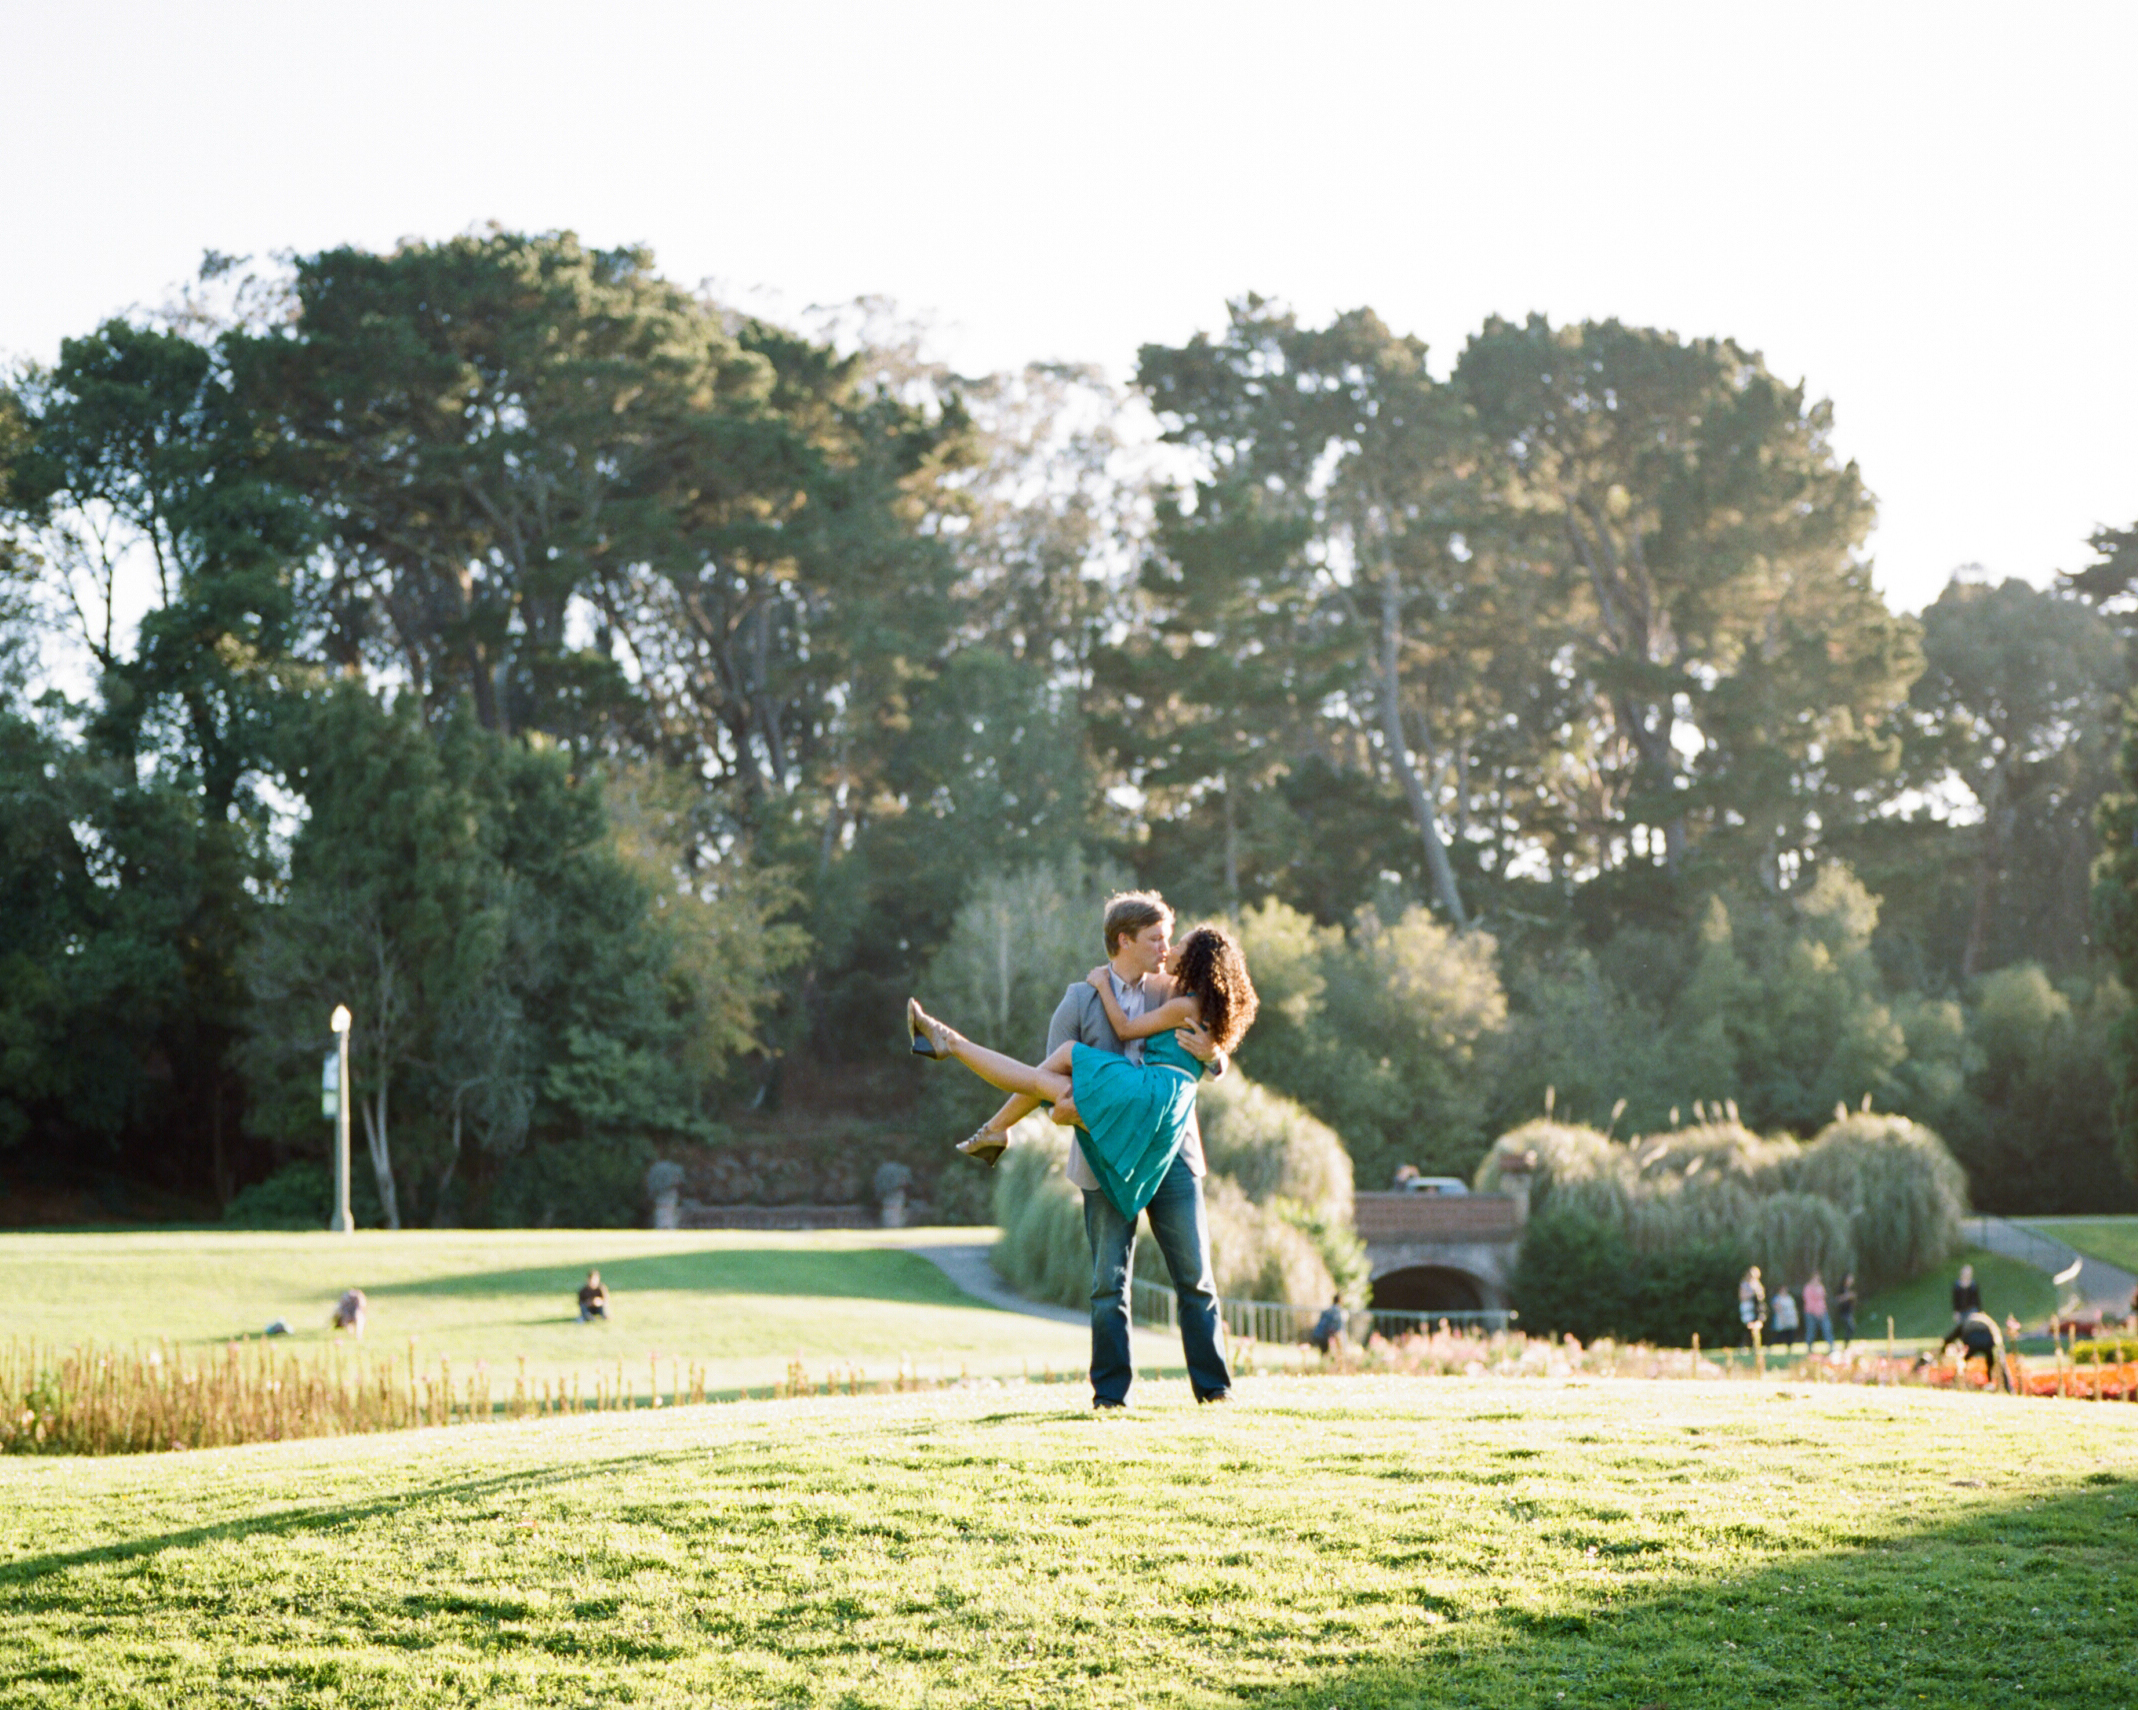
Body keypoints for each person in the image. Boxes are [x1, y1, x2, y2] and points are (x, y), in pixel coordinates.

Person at [909, 893, 1255, 1408]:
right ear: (1125, 940)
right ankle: (1110, 1397)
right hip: (1103, 1150)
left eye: (1169, 938)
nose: (1165, 947)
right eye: (1156, 938)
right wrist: (1060, 1114)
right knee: (1106, 1284)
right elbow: (1047, 1081)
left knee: (1195, 1277)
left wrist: (1217, 1054)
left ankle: (1215, 1389)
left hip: (1173, 1153)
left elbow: (1212, 1037)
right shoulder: (1079, 1000)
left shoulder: (1173, 987)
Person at [1941, 1309, 2006, 1390]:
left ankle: (1958, 1383)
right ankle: (1990, 1382)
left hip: (1971, 1340)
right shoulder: (1987, 1320)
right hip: (1987, 1340)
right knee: (1990, 1361)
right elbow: (1996, 1334)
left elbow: (1952, 1335)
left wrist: (1943, 1348)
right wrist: (1998, 1347)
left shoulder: (1968, 1319)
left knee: (1963, 1360)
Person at [1802, 1272, 1834, 1352]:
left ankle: (1831, 1346)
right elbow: (1808, 1301)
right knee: (1811, 1330)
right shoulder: (1808, 1288)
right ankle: (1809, 1347)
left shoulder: (1820, 1287)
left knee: (1827, 1328)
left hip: (1822, 1311)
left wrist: (1822, 1310)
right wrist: (1816, 1311)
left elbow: (1822, 1299)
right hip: (1811, 1313)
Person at [1737, 1266, 1766, 1349]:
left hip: (1756, 1308)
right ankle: (1744, 1345)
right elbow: (1742, 1296)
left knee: (1757, 1325)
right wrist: (1752, 1294)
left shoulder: (1757, 1284)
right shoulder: (1744, 1284)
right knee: (1748, 1327)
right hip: (1748, 1307)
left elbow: (1762, 1295)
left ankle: (1756, 1345)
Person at [1769, 1284, 1800, 1350]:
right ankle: (1770, 1344)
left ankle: (1789, 1347)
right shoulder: (1777, 1298)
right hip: (1782, 1318)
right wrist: (1782, 1316)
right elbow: (1776, 1308)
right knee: (1781, 1335)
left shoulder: (1789, 1298)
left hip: (1790, 1318)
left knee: (1790, 1334)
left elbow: (1793, 1308)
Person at [1834, 1272, 1859, 1348]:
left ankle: (1846, 1344)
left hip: (1849, 1311)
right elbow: (1838, 1299)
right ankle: (1846, 1344)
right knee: (1851, 1326)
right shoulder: (1841, 1288)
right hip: (1844, 1312)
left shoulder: (1850, 1288)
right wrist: (1848, 1296)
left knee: (1851, 1328)